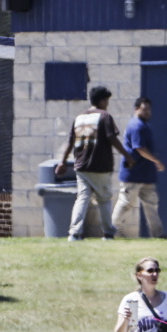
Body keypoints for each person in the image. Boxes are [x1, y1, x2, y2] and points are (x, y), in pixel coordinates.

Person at [55, 86, 135, 241]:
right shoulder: (105, 117)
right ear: (102, 100)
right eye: (107, 100)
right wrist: (128, 156)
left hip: (81, 166)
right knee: (104, 199)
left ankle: (74, 233)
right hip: (100, 166)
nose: (108, 104)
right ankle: (107, 233)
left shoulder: (79, 118)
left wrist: (62, 162)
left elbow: (70, 142)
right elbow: (113, 139)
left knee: (82, 198)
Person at [112, 96, 165, 238]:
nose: (148, 112)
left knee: (151, 206)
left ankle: (157, 235)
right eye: (144, 109)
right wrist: (156, 161)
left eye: (149, 109)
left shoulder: (143, 125)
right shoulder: (137, 126)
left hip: (146, 175)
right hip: (133, 174)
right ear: (136, 109)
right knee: (125, 203)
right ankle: (112, 232)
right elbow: (140, 148)